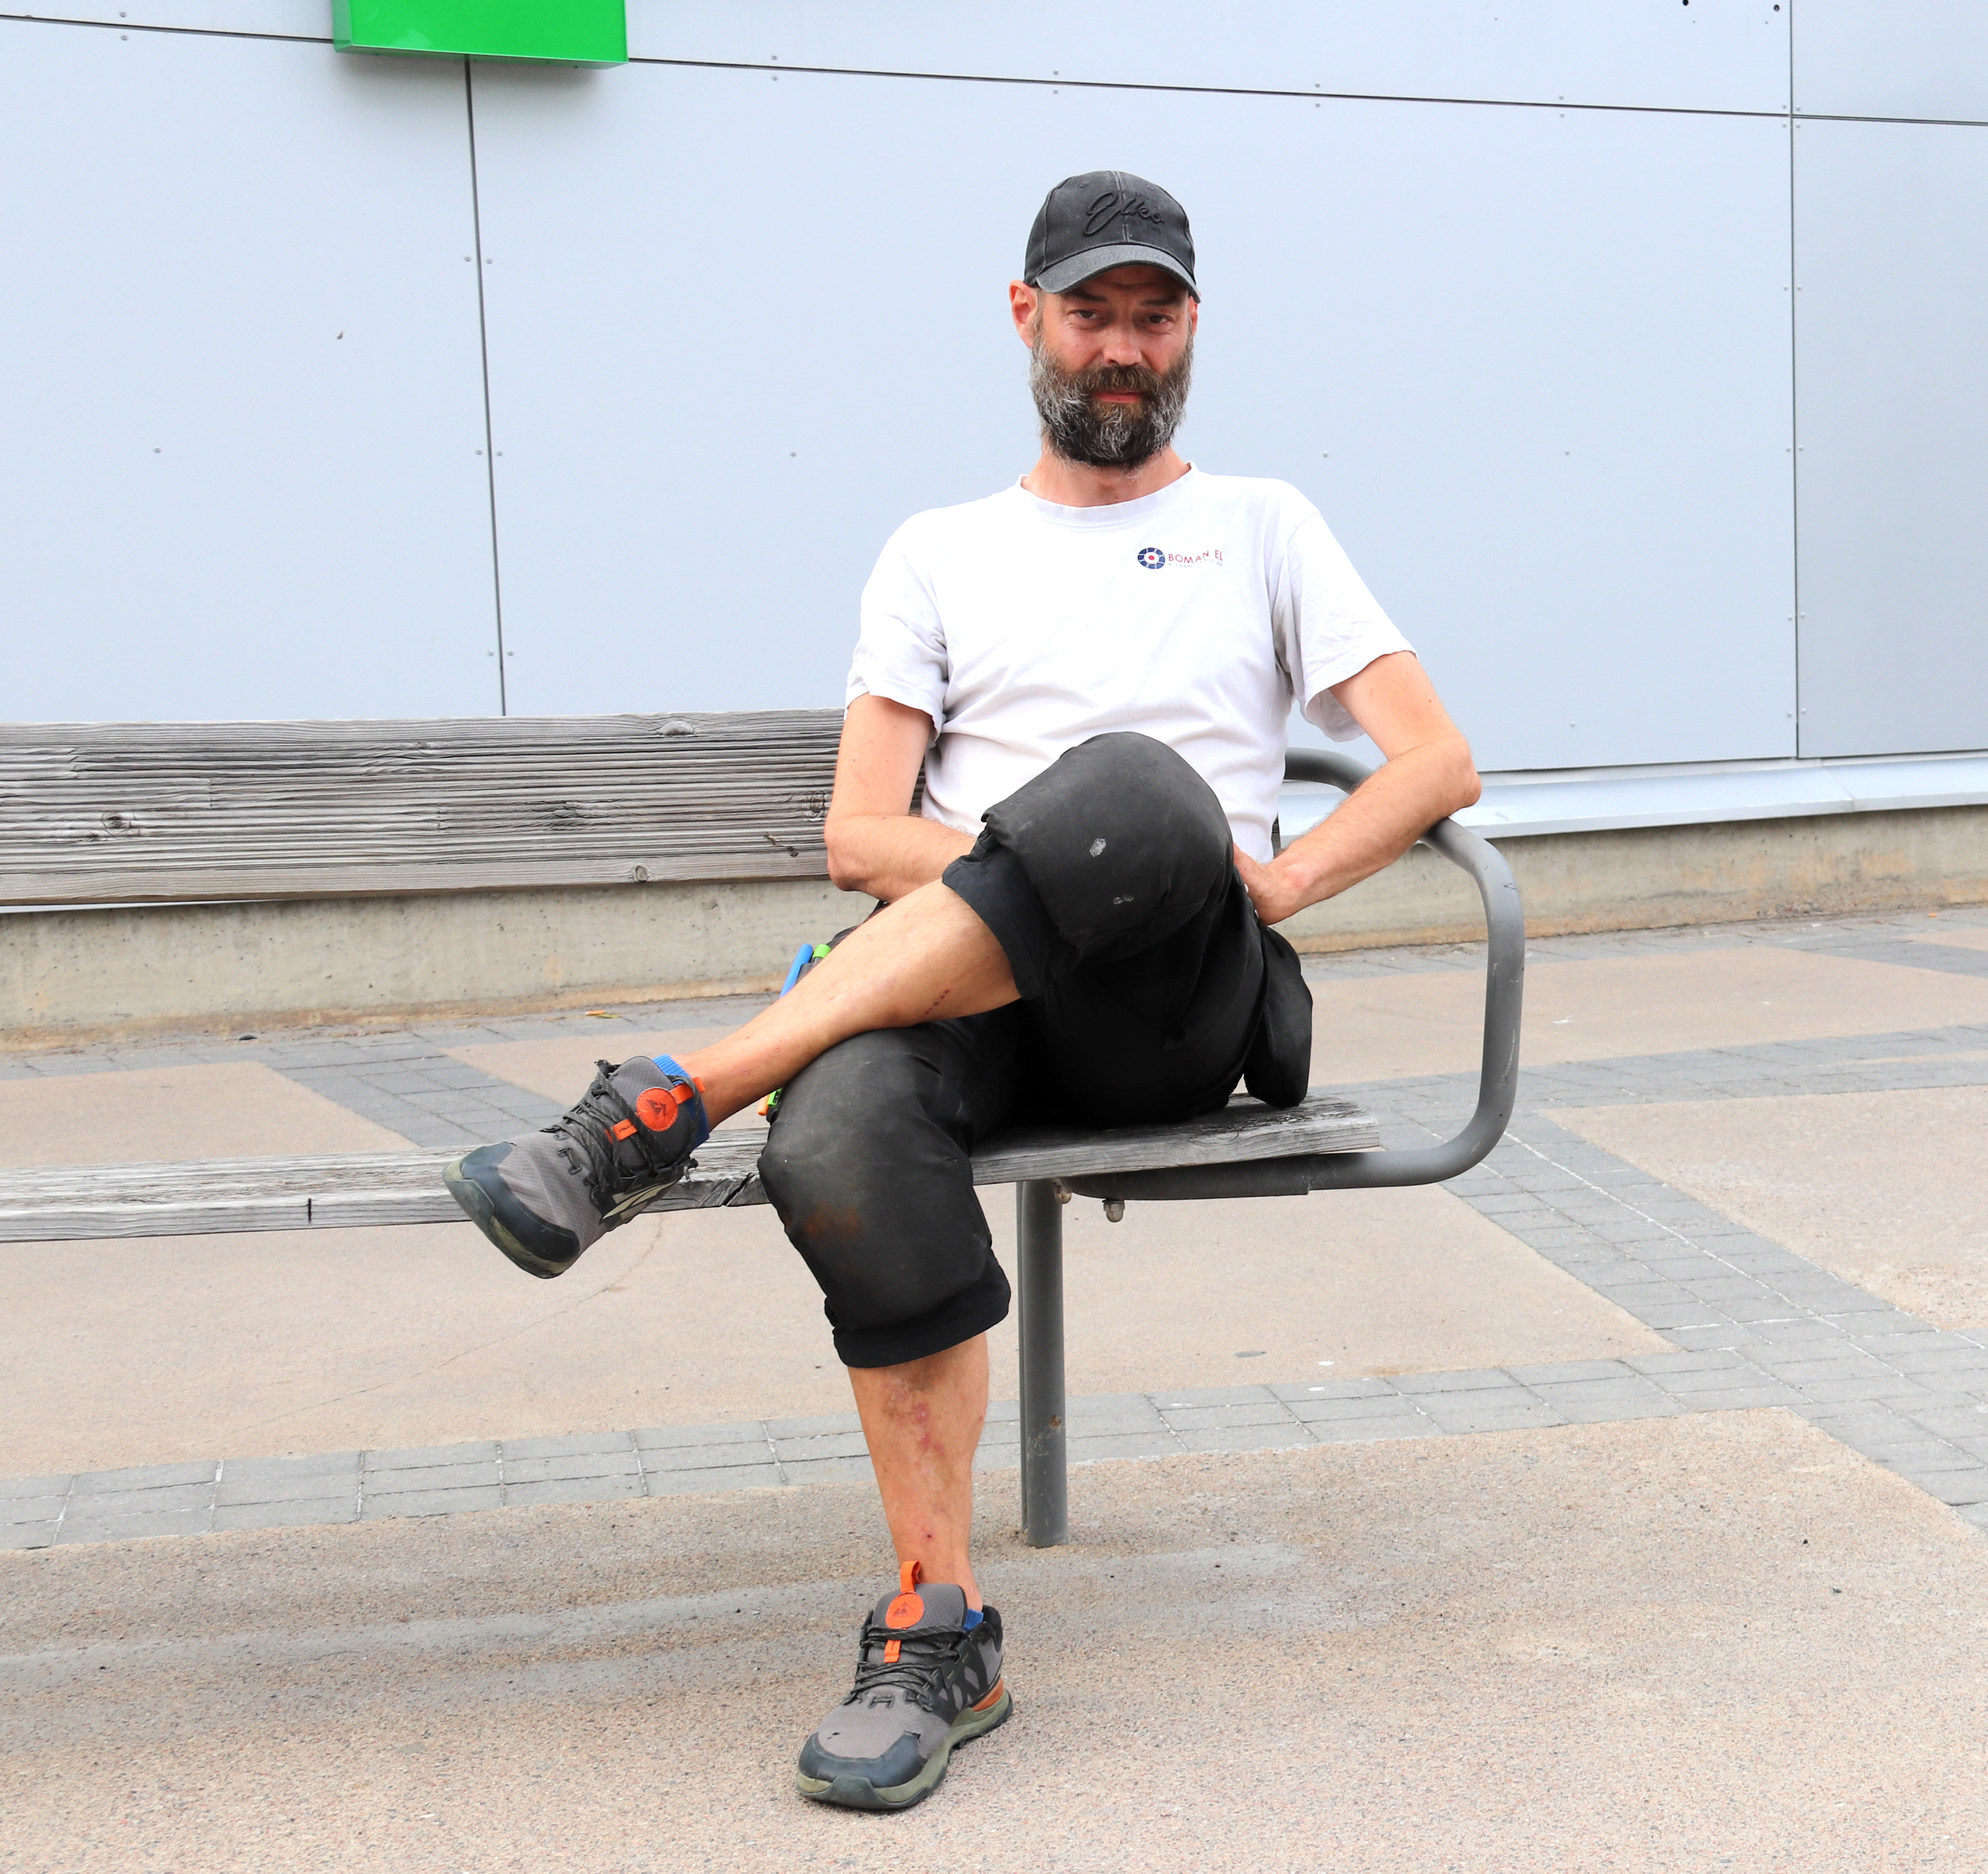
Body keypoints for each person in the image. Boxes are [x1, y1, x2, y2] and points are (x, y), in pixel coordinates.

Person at [437, 170, 1479, 1812]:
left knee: (1140, 792)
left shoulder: (1268, 523)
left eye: (1152, 316)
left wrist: (1268, 876)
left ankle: (668, 1101)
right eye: (1091, 314)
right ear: (1025, 321)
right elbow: (860, 830)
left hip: (1175, 1006)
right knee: (837, 1130)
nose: (1121, 349)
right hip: (978, 997)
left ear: (1193, 327)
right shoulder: (937, 552)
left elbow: (1434, 758)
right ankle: (938, 1621)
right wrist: (1033, 870)